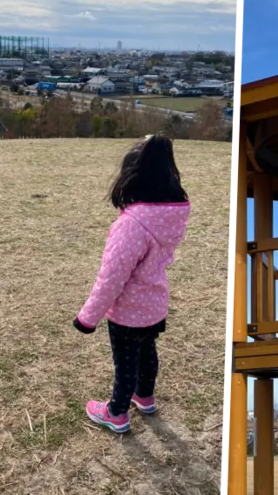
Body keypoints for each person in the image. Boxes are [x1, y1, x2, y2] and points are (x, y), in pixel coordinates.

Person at [73, 134, 190, 434]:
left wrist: (87, 318)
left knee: (125, 363)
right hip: (154, 305)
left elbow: (111, 279)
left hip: (127, 311)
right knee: (148, 352)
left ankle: (116, 413)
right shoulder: (169, 217)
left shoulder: (132, 225)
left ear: (133, 180)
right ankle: (145, 396)